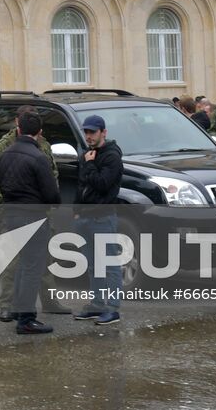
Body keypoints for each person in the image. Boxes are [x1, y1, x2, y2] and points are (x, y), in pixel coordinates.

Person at [0, 111, 61, 333]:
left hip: (11, 215)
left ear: (19, 129)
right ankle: (26, 319)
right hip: (33, 216)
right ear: (40, 132)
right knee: (33, 267)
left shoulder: (5, 154)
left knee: (23, 265)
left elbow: (0, 184)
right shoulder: (39, 157)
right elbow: (52, 194)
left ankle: (17, 309)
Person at [73, 114, 123, 325]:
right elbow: (81, 184)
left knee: (109, 264)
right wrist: (76, 211)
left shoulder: (111, 156)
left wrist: (91, 164)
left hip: (103, 217)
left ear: (103, 132)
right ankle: (97, 305)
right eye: (86, 132)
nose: (89, 136)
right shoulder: (87, 155)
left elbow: (102, 184)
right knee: (93, 265)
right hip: (84, 217)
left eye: (92, 132)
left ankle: (113, 309)